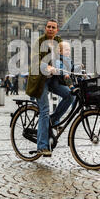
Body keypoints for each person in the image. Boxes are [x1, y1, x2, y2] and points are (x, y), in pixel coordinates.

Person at [25, 19, 74, 157]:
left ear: (57, 30)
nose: (51, 29)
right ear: (45, 28)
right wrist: (47, 67)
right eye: (48, 27)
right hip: (40, 81)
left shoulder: (58, 41)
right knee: (44, 110)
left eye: (53, 27)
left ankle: (53, 120)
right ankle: (42, 146)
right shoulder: (39, 42)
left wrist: (72, 68)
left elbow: (65, 57)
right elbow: (36, 61)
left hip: (53, 79)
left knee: (71, 95)